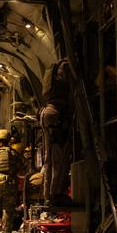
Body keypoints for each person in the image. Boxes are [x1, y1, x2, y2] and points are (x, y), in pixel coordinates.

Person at [39, 57, 73, 206]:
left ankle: (49, 195)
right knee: (59, 157)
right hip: (56, 113)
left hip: (48, 111)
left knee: (50, 158)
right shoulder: (66, 66)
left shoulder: (54, 69)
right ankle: (57, 194)